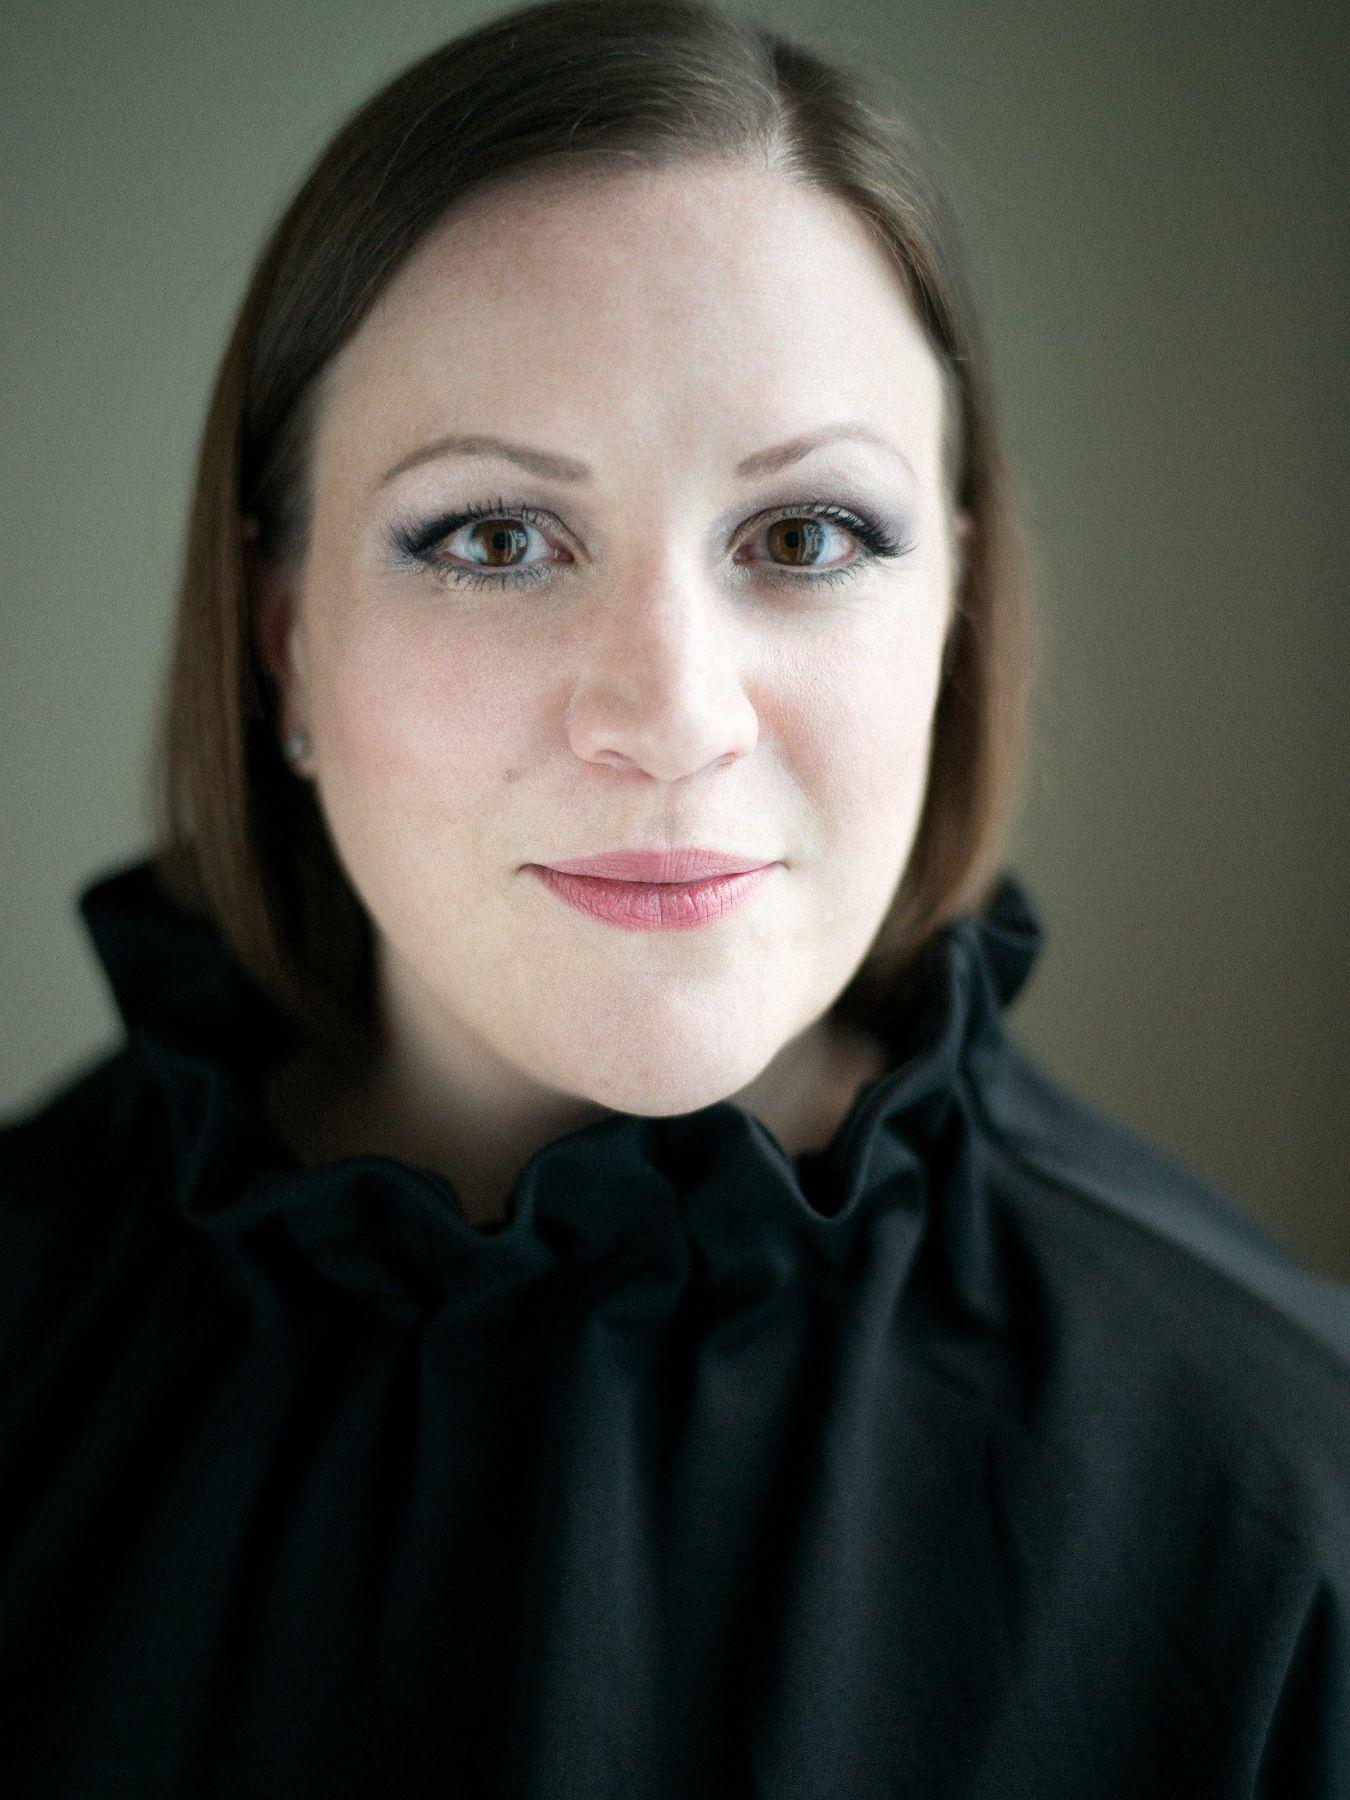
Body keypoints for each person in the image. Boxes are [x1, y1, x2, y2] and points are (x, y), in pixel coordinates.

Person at [1, 1, 1346, 1794]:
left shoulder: (1289, 1504)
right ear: (281, 636)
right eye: (491, 538)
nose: (669, 719)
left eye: (805, 538)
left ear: (953, 605)